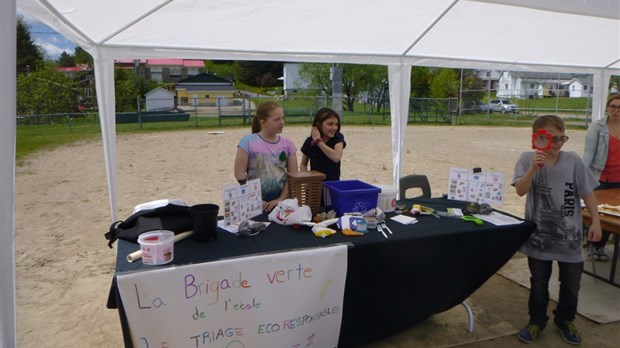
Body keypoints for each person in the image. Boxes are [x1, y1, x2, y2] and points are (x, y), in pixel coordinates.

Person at [512, 115, 601, 346]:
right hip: (538, 237)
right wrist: (533, 167)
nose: (559, 144)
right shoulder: (526, 159)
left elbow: (588, 192)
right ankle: (536, 320)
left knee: (571, 284)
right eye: (553, 139)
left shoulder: (572, 160)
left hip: (570, 238)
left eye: (562, 139)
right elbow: (521, 190)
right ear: (538, 137)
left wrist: (596, 221)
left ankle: (565, 319)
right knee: (538, 282)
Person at [234, 101, 298, 212]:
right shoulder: (247, 142)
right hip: (254, 203)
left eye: (283, 118)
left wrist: (281, 199)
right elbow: (239, 175)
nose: (282, 122)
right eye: (277, 119)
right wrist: (256, 199)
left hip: (282, 204)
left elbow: (293, 176)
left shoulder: (288, 144)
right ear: (263, 122)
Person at [583, 94, 620, 261]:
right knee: (599, 213)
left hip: (618, 178)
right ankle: (596, 246)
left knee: (615, 215)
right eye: (612, 106)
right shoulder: (597, 127)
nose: (615, 110)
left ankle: (605, 245)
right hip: (599, 176)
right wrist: (582, 175)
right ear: (607, 107)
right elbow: (589, 153)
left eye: (619, 107)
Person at [299, 108, 346, 181]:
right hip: (315, 185)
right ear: (319, 124)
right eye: (330, 124)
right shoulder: (309, 141)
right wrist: (306, 179)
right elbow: (303, 164)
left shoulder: (338, 138)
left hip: (333, 184)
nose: (335, 128)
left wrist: (319, 142)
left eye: (336, 124)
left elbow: (336, 157)